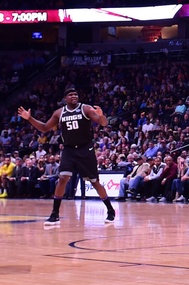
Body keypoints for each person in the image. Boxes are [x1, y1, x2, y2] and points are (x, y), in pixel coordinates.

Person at [17, 84, 116, 227]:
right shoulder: (59, 113)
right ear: (65, 98)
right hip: (69, 150)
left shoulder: (86, 108)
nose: (74, 96)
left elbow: (103, 123)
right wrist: (30, 118)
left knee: (94, 182)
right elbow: (44, 128)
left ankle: (110, 210)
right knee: (62, 178)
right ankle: (55, 214)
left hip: (85, 149)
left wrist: (101, 116)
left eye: (76, 94)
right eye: (71, 95)